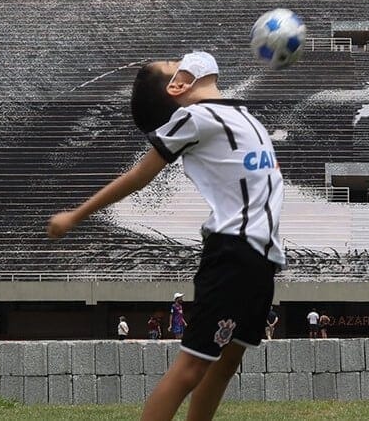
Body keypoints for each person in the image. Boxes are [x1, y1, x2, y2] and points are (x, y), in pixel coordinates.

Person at [47, 51, 285, 421]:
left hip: (262, 257)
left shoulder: (237, 114)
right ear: (177, 87)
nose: (181, 61)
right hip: (233, 253)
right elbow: (139, 175)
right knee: (192, 367)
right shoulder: (195, 117)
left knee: (226, 363)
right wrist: (76, 216)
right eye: (174, 66)